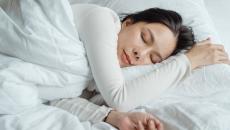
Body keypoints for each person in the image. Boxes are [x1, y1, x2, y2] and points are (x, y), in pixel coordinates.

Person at [50, 4, 230, 130]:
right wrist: (189, 61)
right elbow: (120, 99)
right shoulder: (100, 18)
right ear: (128, 23)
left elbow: (54, 99)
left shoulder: (90, 76)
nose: (140, 54)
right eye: (144, 38)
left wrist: (113, 117)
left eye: (153, 58)